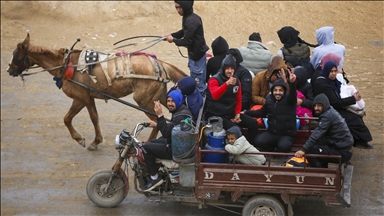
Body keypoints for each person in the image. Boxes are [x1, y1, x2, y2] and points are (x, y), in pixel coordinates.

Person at [313, 61, 373, 149]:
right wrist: (353, 99)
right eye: (331, 71)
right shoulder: (323, 84)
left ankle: (359, 140)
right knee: (352, 119)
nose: (334, 74)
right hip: (328, 110)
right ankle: (359, 141)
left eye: (335, 71)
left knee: (355, 116)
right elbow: (335, 102)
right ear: (326, 71)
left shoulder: (331, 81)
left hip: (333, 108)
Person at [142, 90, 192, 192]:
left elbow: (167, 133)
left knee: (146, 148)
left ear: (178, 101)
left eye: (172, 101)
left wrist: (160, 116)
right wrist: (157, 125)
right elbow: (172, 127)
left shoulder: (180, 116)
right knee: (153, 142)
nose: (169, 104)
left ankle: (154, 178)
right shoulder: (181, 111)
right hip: (179, 143)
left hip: (178, 150)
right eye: (168, 101)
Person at [205, 54, 259, 145]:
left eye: (232, 68)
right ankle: (237, 151)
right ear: (223, 69)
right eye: (227, 68)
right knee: (235, 129)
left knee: (253, 123)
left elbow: (238, 98)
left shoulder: (236, 80)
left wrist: (237, 113)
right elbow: (215, 95)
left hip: (230, 112)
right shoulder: (214, 80)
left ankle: (253, 146)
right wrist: (226, 84)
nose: (230, 71)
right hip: (217, 114)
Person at [243, 69, 297, 153]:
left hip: (286, 134)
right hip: (272, 133)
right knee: (258, 141)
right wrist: (246, 112)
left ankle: (279, 150)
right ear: (272, 91)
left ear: (284, 91)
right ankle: (273, 150)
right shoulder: (269, 99)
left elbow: (293, 95)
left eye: (280, 90)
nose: (277, 93)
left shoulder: (289, 100)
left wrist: (292, 83)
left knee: (284, 147)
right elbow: (262, 112)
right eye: (275, 90)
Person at [295, 93, 353, 168]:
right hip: (340, 144)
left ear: (324, 105)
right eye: (315, 105)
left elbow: (317, 133)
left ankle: (320, 172)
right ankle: (322, 166)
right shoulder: (329, 111)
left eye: (319, 105)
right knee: (316, 144)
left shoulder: (327, 116)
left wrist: (303, 150)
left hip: (341, 150)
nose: (316, 108)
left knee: (310, 151)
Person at [165, 0, 209, 96]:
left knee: (199, 85)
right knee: (195, 80)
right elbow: (184, 31)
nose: (178, 10)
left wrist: (173, 40)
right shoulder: (188, 17)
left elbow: (187, 41)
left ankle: (201, 107)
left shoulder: (192, 20)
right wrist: (171, 35)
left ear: (185, 6)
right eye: (176, 7)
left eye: (179, 7)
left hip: (197, 57)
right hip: (194, 54)